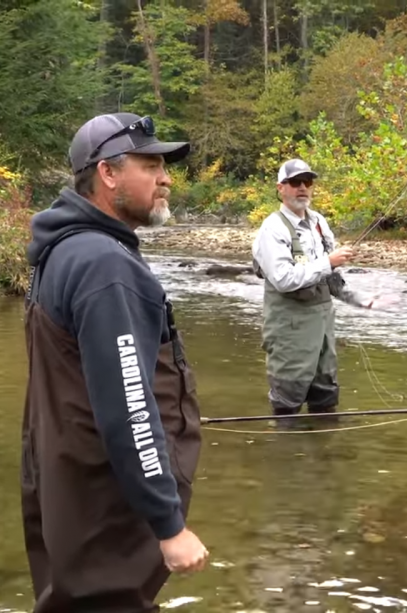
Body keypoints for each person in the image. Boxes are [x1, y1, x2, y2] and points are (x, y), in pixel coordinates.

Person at [21, 112, 208, 612]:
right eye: (151, 165)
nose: (166, 178)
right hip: (107, 505)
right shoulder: (104, 266)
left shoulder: (62, 253)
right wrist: (168, 524)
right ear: (108, 173)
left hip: (70, 492)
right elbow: (127, 405)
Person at [252, 158, 392, 421]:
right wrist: (328, 261)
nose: (303, 187)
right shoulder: (271, 229)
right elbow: (283, 279)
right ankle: (287, 457)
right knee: (287, 403)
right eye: (295, 182)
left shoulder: (318, 222)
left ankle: (325, 454)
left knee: (325, 398)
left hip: (323, 331)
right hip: (289, 332)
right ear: (280, 188)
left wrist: (363, 300)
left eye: (308, 182)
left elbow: (331, 277)